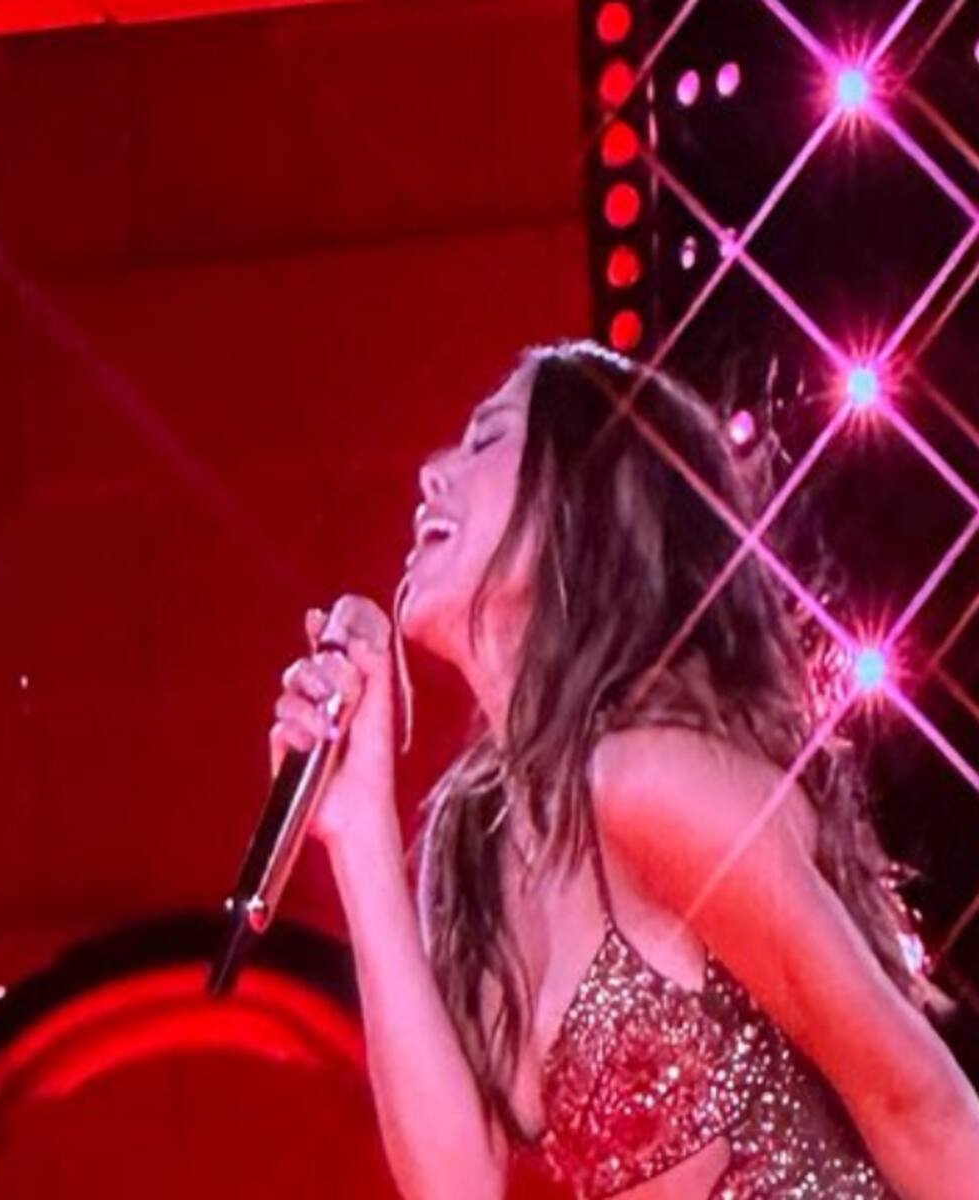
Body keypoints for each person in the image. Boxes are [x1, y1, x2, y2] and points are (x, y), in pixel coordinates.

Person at [269, 340, 979, 1199]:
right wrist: (358, 834)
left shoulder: (648, 782)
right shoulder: (478, 843)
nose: (431, 472)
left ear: (580, 501)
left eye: (487, 439)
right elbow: (455, 1187)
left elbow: (919, 1104)